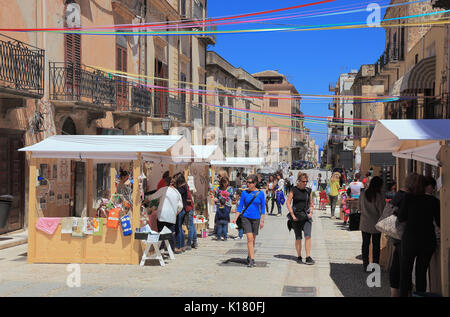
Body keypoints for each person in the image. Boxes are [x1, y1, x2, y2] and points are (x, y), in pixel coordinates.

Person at [398, 173, 440, 297]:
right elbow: (439, 221)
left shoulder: (408, 198)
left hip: (410, 239)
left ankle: (404, 295)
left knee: (406, 271)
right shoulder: (433, 201)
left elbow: (401, 218)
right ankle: (420, 295)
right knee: (421, 272)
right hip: (427, 240)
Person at [232, 174, 265, 268]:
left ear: (255, 183)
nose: (248, 184)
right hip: (246, 218)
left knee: (253, 239)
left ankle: (249, 255)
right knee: (249, 238)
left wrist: (262, 220)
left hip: (256, 218)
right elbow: (240, 207)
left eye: (250, 182)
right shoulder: (244, 193)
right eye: (247, 182)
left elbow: (262, 208)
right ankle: (252, 260)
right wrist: (235, 218)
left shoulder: (260, 194)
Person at [144, 176, 183, 252]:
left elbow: (153, 196)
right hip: (171, 217)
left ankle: (161, 248)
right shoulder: (177, 193)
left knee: (161, 232)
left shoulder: (164, 189)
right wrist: (176, 212)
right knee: (170, 234)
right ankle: (170, 250)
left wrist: (146, 200)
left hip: (162, 215)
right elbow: (180, 206)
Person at [286, 173, 315, 265]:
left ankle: (308, 257)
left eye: (306, 181)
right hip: (296, 217)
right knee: (298, 237)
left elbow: (311, 203)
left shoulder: (308, 191)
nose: (305, 183)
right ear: (298, 181)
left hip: (306, 217)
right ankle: (299, 256)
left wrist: (311, 212)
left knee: (308, 236)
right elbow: (288, 203)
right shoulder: (293, 190)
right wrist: (292, 215)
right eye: (303, 181)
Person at [358, 176, 385, 272]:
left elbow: (359, 207)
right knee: (376, 245)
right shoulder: (379, 196)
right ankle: (375, 264)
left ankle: (365, 264)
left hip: (365, 222)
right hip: (375, 223)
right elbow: (382, 210)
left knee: (365, 243)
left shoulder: (363, 194)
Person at [388, 186, 408, 297]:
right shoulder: (408, 198)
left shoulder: (397, 196)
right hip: (404, 235)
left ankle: (394, 293)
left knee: (397, 264)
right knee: (404, 267)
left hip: (396, 234)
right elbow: (401, 217)